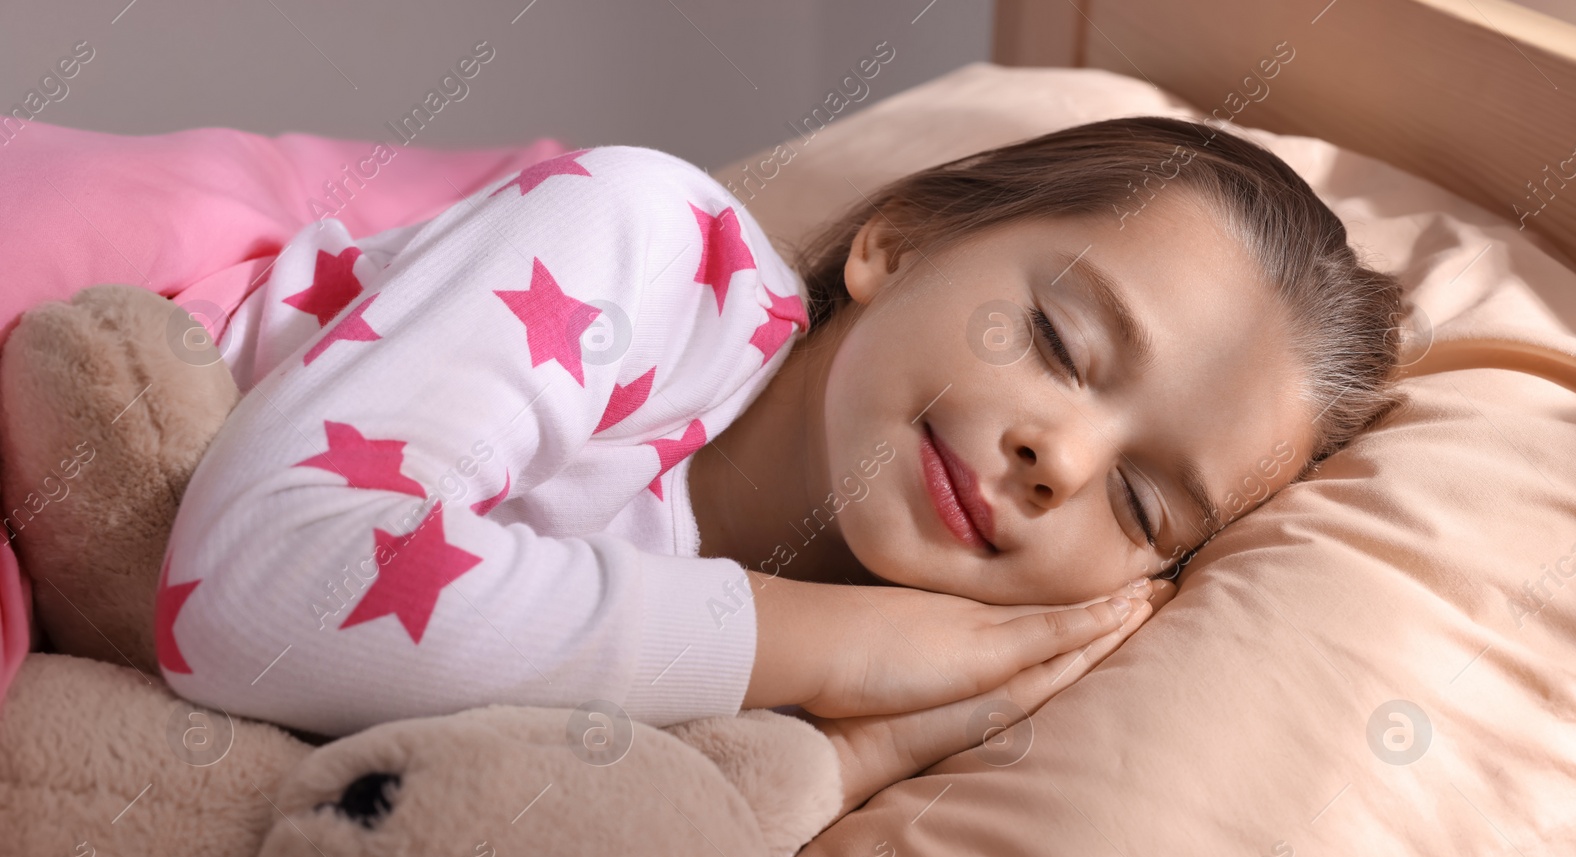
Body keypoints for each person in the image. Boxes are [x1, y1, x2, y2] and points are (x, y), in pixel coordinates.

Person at [158, 119, 1404, 737]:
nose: (1059, 459)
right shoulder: (647, 247)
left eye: (1141, 506)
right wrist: (820, 643)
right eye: (1059, 344)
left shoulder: (917, 684)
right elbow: (254, 597)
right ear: (896, 243)